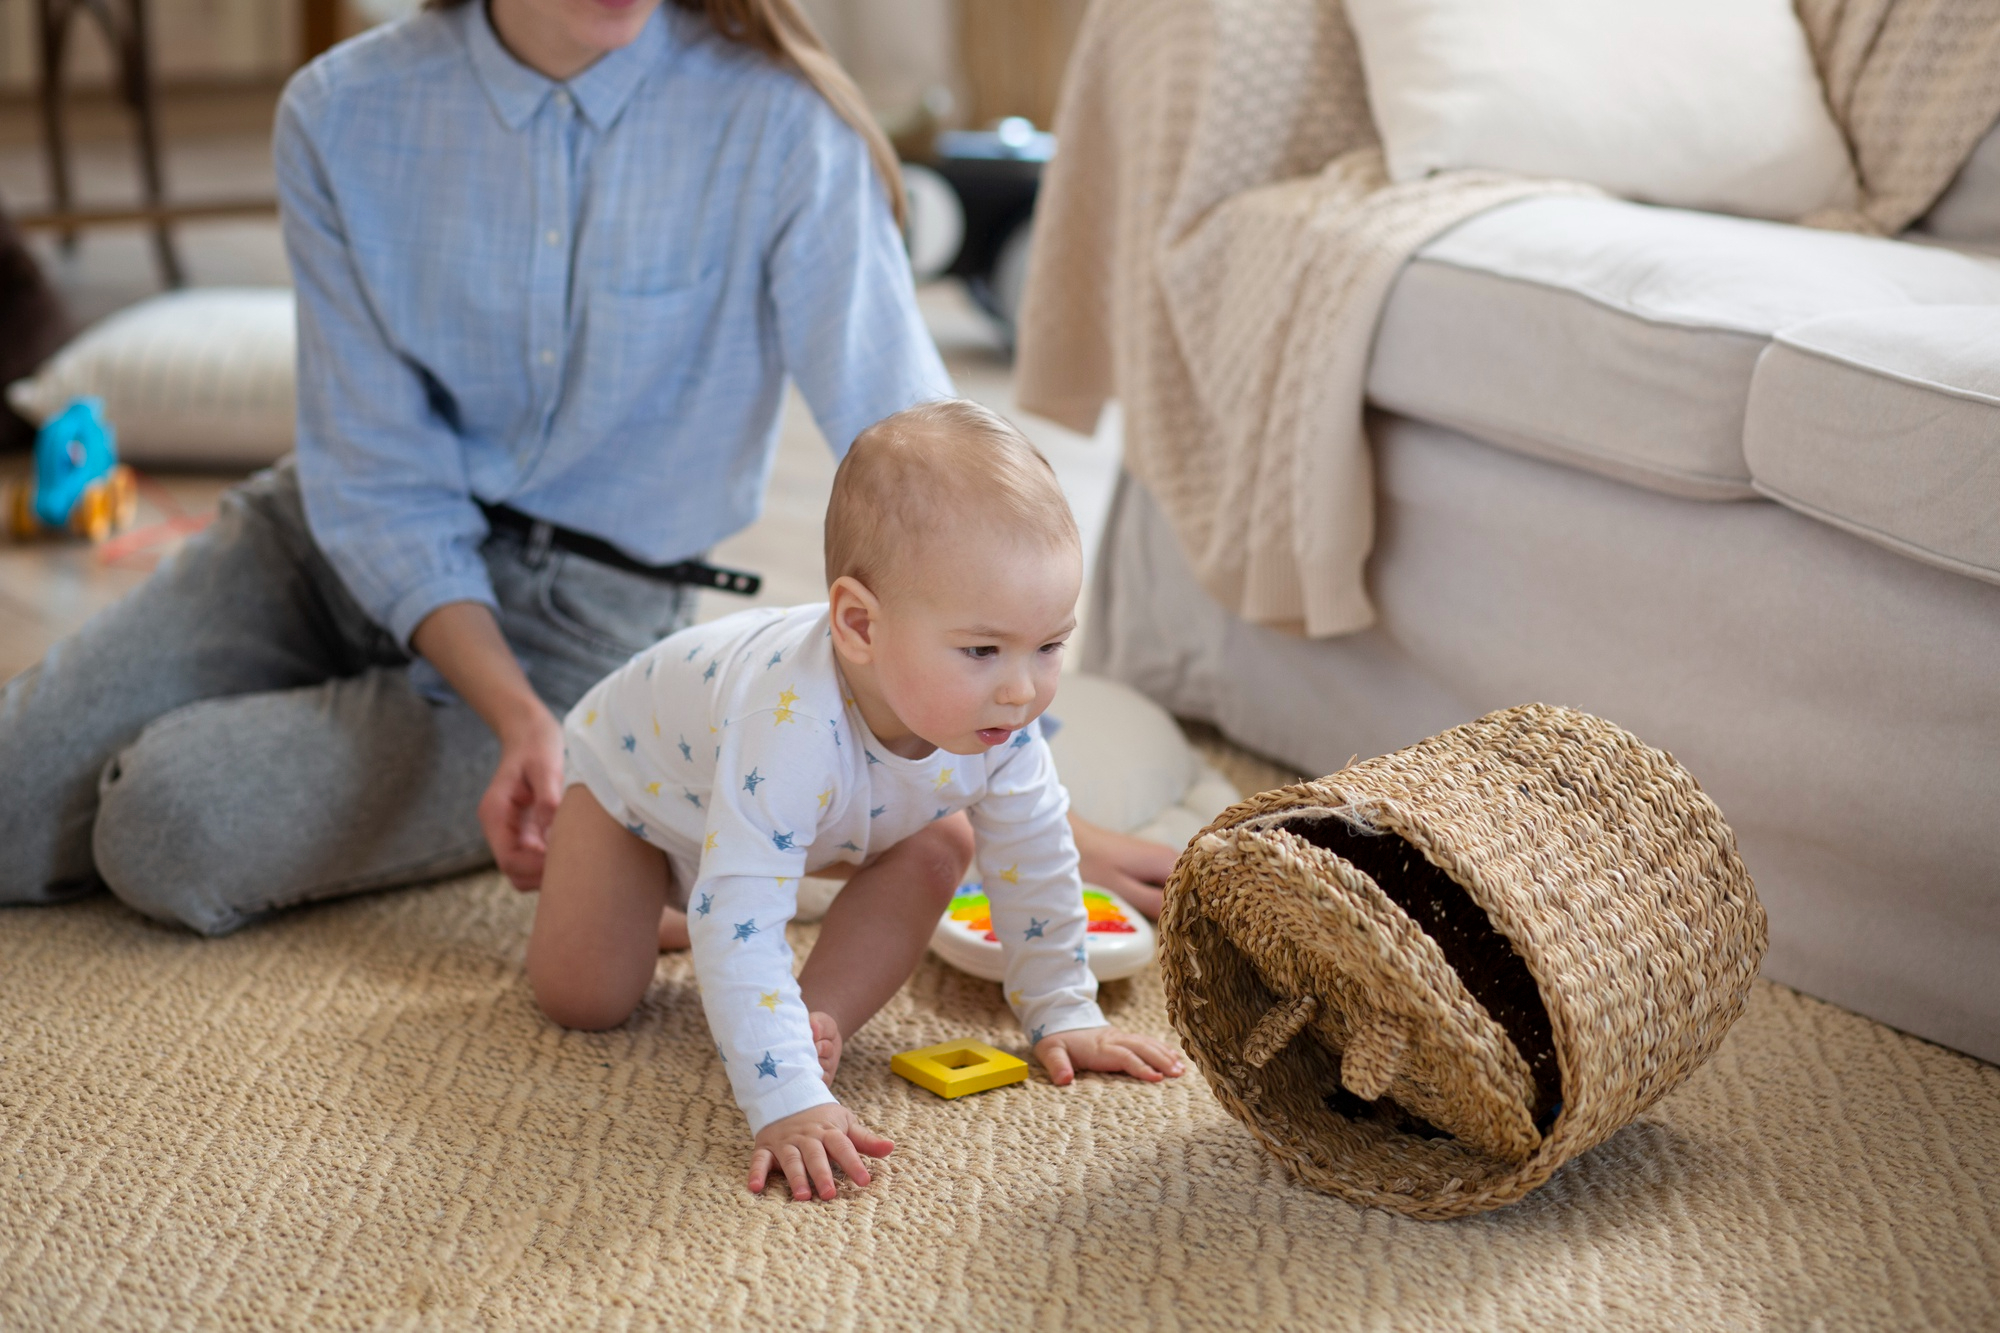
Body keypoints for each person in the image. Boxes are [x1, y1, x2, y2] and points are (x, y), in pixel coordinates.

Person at [0, 0, 1174, 934]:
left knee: (165, 825)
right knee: (13, 800)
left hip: (584, 624)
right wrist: (507, 715)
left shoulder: (779, 128)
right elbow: (375, 475)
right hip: (327, 542)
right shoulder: (342, 111)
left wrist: (1029, 800)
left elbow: (925, 464)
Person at [533, 400, 1183, 1202]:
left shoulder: (1002, 719)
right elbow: (742, 912)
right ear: (858, 625)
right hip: (637, 795)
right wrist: (784, 1104)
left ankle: (815, 1021)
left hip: (804, 824)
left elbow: (1038, 856)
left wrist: (1065, 1009)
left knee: (947, 843)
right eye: (982, 650)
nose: (1022, 689)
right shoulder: (792, 727)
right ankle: (648, 890)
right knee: (586, 998)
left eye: (1050, 645)